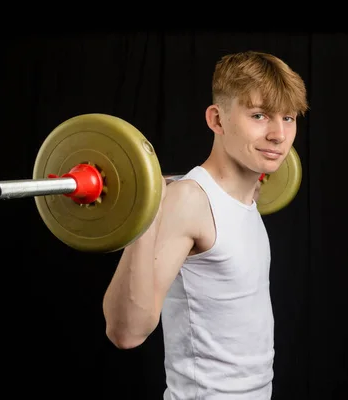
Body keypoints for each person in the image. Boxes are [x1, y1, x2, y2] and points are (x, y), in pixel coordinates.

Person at [102, 50, 309, 399]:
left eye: (288, 118)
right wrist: (147, 207)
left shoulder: (249, 193)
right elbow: (126, 332)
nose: (278, 135)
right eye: (259, 115)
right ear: (217, 119)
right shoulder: (188, 202)